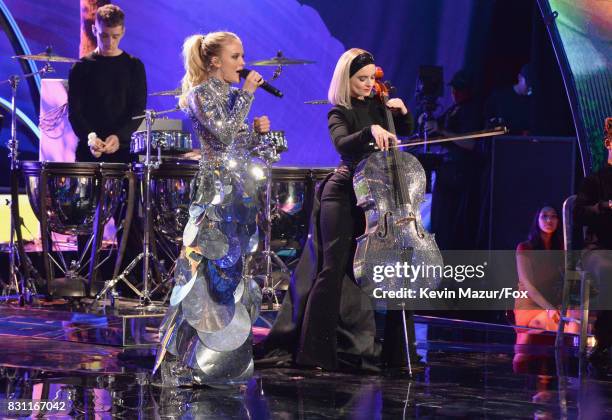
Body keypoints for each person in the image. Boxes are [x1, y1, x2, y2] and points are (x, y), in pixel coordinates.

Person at [259, 48, 417, 372]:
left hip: (377, 197)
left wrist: (401, 114)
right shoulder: (339, 112)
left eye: (372, 78)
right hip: (343, 193)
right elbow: (344, 144)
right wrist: (369, 131)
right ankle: (314, 355)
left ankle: (399, 355)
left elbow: (407, 131)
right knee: (332, 269)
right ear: (346, 79)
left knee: (396, 270)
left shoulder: (379, 105)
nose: (369, 84)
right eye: (361, 79)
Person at [154, 31, 270, 386]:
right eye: (235, 57)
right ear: (215, 61)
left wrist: (257, 132)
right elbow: (220, 136)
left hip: (236, 194)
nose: (242, 63)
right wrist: (248, 96)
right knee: (197, 275)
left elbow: (236, 141)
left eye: (242, 56)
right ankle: (177, 358)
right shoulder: (199, 94)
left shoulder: (232, 96)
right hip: (212, 196)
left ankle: (214, 357)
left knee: (228, 274)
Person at [68, 4, 147, 163]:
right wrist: (90, 137)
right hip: (88, 150)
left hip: (124, 151)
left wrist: (120, 137)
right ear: (94, 30)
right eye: (104, 36)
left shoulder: (134, 66)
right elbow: (75, 112)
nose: (110, 42)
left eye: (115, 36)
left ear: (123, 32)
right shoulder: (81, 66)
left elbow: (138, 109)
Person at [429, 70, 484, 251]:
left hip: (460, 175)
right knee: (439, 222)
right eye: (453, 89)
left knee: (451, 224)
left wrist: (443, 131)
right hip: (446, 172)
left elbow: (470, 143)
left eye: (458, 90)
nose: (454, 93)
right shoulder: (453, 109)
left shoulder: (472, 110)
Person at [574, 117, 612, 371]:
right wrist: (606, 206)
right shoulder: (594, 180)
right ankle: (605, 340)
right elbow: (579, 213)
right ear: (609, 143)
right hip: (597, 249)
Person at [514, 206, 566, 331]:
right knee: (551, 323)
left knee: (576, 319)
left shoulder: (562, 249)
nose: (549, 220)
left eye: (553, 216)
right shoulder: (524, 248)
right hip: (529, 303)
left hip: (553, 302)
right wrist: (549, 308)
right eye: (544, 216)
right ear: (537, 220)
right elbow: (527, 284)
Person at [484, 64, 532, 135]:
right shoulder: (499, 96)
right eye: (528, 84)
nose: (530, 88)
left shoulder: (532, 102)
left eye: (532, 85)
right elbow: (488, 119)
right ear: (519, 78)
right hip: (499, 142)